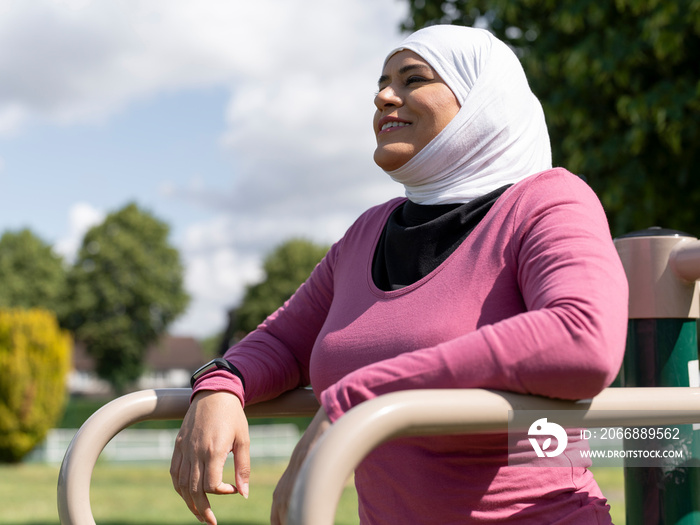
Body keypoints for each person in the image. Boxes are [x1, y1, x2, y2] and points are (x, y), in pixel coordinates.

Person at [170, 24, 628, 525]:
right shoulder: (369, 230)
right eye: (382, 85)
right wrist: (218, 385)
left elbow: (583, 336)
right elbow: (281, 342)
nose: (385, 96)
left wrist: (359, 400)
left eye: (414, 79)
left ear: (481, 99)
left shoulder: (548, 200)